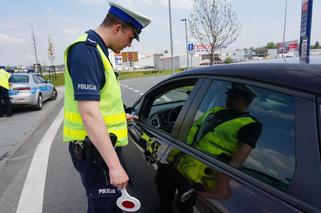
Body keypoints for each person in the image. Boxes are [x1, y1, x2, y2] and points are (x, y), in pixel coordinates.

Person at [63, 2, 150, 213]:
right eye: (131, 37)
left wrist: (121, 116)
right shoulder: (86, 51)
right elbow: (90, 114)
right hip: (96, 153)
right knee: (106, 208)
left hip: (99, 149)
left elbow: (101, 103)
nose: (130, 44)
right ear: (117, 28)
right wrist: (114, 166)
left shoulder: (98, 50)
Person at [156, 83, 262, 213]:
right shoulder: (216, 111)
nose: (229, 99)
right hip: (181, 163)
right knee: (163, 177)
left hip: (201, 176)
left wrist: (226, 175)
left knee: (185, 203)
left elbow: (244, 150)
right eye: (229, 95)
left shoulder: (251, 124)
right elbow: (194, 130)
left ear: (246, 101)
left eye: (235, 97)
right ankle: (164, 209)